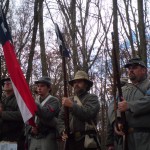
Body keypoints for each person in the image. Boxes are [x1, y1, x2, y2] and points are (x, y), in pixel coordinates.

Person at [108, 57, 150, 150]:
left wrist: (130, 106)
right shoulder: (123, 89)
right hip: (124, 139)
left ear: (143, 70)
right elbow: (112, 106)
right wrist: (117, 121)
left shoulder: (148, 85)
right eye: (129, 68)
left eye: (134, 67)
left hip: (145, 138)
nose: (130, 70)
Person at [57, 70, 100, 150]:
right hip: (70, 141)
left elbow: (88, 114)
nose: (76, 84)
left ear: (86, 84)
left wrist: (71, 105)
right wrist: (63, 131)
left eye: (79, 81)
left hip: (86, 141)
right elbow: (60, 119)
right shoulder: (69, 100)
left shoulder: (92, 98)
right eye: (75, 82)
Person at [28, 76, 60, 150]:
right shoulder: (36, 100)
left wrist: (32, 102)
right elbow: (29, 117)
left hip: (48, 136)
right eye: (38, 86)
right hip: (34, 137)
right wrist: (31, 128)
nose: (39, 88)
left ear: (49, 88)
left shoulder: (54, 101)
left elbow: (46, 114)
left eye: (42, 86)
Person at [0, 77, 25, 150]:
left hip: (15, 138)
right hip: (2, 138)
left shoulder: (20, 99)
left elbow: (22, 115)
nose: (7, 84)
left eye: (9, 82)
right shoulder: (2, 100)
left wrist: (2, 114)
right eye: (5, 83)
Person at [106, 78, 128, 150]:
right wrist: (110, 143)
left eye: (122, 85)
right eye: (119, 86)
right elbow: (109, 123)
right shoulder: (113, 100)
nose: (120, 88)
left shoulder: (128, 97)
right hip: (117, 138)